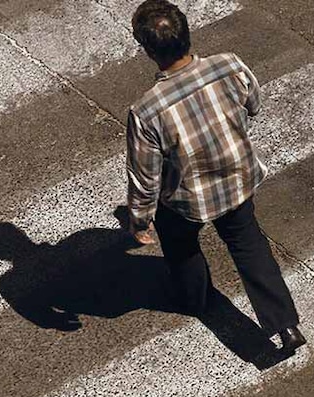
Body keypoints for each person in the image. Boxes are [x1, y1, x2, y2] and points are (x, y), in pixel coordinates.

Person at [117, 0, 303, 355]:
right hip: (237, 179)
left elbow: (145, 176)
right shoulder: (229, 65)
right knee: (249, 246)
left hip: (187, 199)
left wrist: (140, 220)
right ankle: (285, 324)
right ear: (187, 33)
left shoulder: (147, 110)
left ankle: (195, 299)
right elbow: (253, 103)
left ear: (147, 51)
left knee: (181, 245)